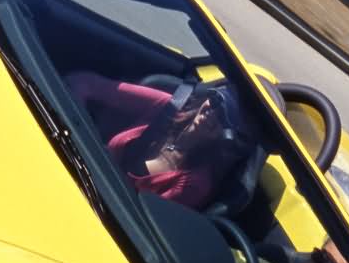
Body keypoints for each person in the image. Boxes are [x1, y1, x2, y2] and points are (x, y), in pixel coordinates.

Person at [64, 70, 245, 209]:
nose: (212, 112)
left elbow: (137, 221)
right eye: (215, 101)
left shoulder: (194, 183)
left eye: (223, 117)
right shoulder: (168, 108)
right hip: (71, 166)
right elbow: (83, 82)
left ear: (228, 137)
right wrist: (73, 135)